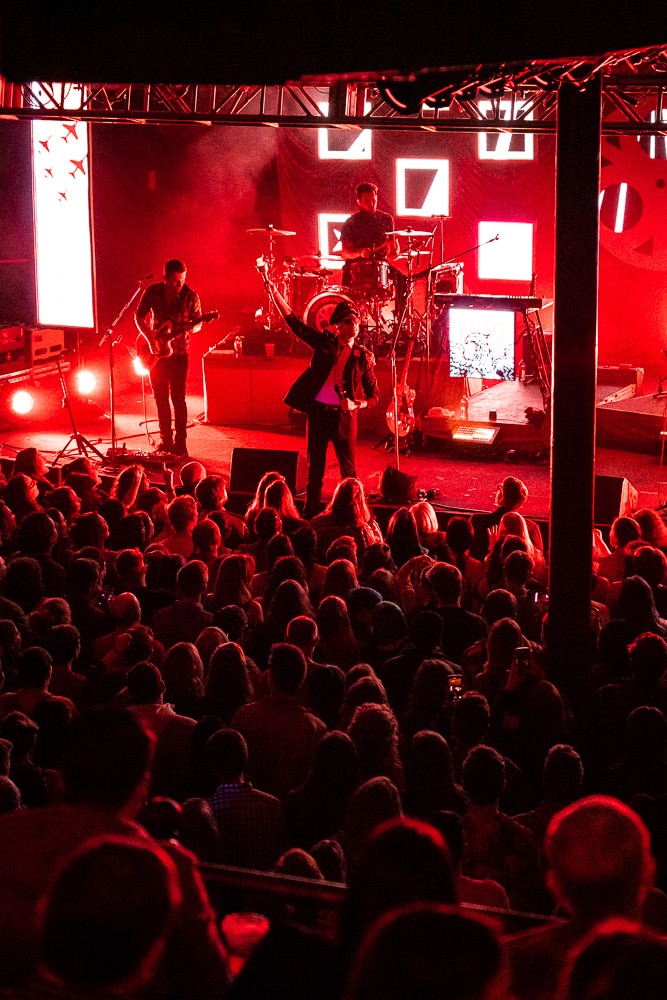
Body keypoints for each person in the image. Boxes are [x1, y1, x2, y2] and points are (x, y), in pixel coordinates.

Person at [259, 267, 380, 518]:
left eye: (356, 321)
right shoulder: (324, 344)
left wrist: (357, 404)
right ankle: (310, 515)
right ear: (338, 326)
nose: (354, 326)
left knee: (349, 473)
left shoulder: (362, 356)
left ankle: (354, 516)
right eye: (348, 321)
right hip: (318, 415)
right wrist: (275, 295)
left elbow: (375, 395)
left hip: (344, 418)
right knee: (315, 471)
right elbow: (295, 324)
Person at [135, 258, 202, 459]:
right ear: (165, 279)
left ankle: (180, 444)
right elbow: (138, 317)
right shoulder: (153, 292)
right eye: (174, 281)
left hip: (180, 352)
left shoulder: (191, 296)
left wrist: (193, 326)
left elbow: (198, 324)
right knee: (160, 397)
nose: (179, 285)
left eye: (182, 280)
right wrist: (150, 338)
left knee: (178, 398)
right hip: (156, 352)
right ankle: (166, 441)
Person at [340, 182, 400, 264]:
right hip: (357, 266)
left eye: (373, 200)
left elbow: (393, 246)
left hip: (381, 265)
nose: (371, 204)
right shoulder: (351, 222)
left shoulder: (387, 219)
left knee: (402, 277)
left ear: (376, 198)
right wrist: (359, 253)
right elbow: (345, 252)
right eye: (367, 201)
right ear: (359, 201)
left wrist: (394, 252)